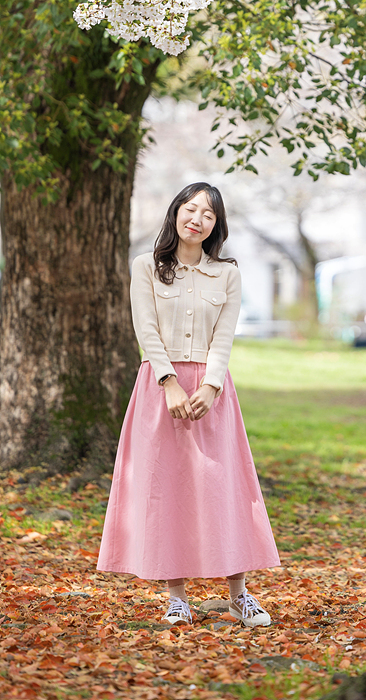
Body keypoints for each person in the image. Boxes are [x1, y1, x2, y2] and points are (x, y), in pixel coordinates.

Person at [97, 182, 280, 626]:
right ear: (176, 212)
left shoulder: (228, 274)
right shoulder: (147, 267)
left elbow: (224, 336)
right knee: (166, 489)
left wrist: (211, 387)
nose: (196, 219)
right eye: (190, 208)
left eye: (208, 214)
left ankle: (239, 594)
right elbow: (146, 329)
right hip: (161, 390)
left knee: (224, 487)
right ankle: (176, 597)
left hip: (212, 394)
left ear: (217, 226)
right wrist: (170, 383)